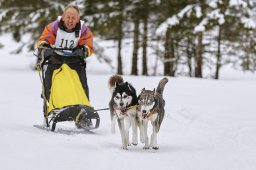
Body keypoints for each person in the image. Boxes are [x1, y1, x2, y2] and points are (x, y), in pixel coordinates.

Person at [37, 4, 94, 107]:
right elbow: (43, 40)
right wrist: (46, 49)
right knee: (48, 82)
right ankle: (48, 107)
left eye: (73, 18)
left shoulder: (84, 30)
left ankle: (84, 112)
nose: (70, 20)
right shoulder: (53, 27)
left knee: (83, 84)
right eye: (68, 17)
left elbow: (89, 46)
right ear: (63, 17)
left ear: (78, 19)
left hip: (74, 61)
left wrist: (82, 51)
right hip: (55, 58)